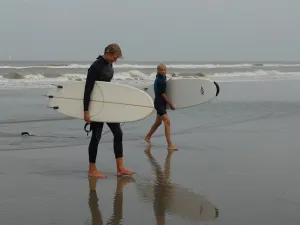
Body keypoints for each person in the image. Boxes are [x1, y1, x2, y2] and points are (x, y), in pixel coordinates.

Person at [83, 43, 135, 178]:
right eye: (114, 57)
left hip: (107, 106)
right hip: (97, 107)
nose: (115, 60)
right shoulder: (95, 67)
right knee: (96, 136)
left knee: (118, 133)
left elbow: (106, 88)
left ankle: (120, 168)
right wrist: (86, 111)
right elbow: (88, 89)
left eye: (117, 58)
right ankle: (92, 169)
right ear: (107, 52)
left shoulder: (108, 65)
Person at [144, 63, 177, 150]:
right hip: (159, 103)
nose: (163, 71)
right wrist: (170, 104)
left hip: (160, 103)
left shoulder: (160, 78)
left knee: (158, 122)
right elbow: (162, 94)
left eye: (165, 70)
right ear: (158, 71)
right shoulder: (161, 81)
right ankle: (170, 145)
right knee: (167, 122)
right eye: (161, 70)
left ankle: (147, 137)